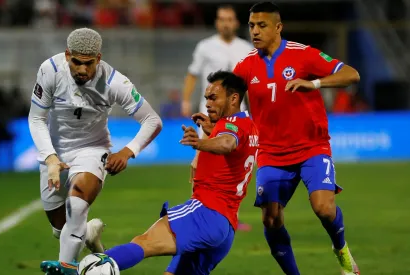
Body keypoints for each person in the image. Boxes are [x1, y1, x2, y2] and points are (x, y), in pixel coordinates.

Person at [232, 2, 361, 274]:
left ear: (278, 27)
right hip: (270, 153)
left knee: (324, 208)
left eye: (262, 25)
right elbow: (231, 106)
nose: (255, 31)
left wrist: (314, 83)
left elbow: (351, 74)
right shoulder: (245, 65)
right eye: (252, 26)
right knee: (270, 220)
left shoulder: (302, 55)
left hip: (311, 147)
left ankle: (341, 249)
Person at [29, 28, 163, 275]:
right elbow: (36, 118)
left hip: (92, 149)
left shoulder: (115, 83)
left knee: (77, 204)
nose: (82, 70)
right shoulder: (50, 70)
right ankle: (90, 237)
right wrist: (50, 159)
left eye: (88, 64)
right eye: (76, 62)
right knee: (63, 229)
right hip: (55, 154)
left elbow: (152, 121)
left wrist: (127, 151)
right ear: (67, 55)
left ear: (98, 59)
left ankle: (67, 269)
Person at [101, 71, 259, 275]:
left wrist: (200, 143)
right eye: (206, 98)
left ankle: (86, 269)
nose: (208, 103)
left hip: (205, 213)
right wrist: (211, 131)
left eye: (213, 98)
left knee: (143, 242)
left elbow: (228, 143)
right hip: (226, 226)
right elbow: (233, 146)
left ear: (234, 98)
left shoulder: (231, 126)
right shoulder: (249, 126)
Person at [181, 3, 254, 232]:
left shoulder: (246, 48)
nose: (226, 23)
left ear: (236, 22)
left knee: (235, 167)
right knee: (200, 163)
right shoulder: (205, 47)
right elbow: (192, 75)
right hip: (209, 116)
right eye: (222, 19)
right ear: (216, 22)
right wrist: (186, 99)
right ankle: (197, 206)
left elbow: (249, 85)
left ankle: (232, 214)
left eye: (230, 19)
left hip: (236, 118)